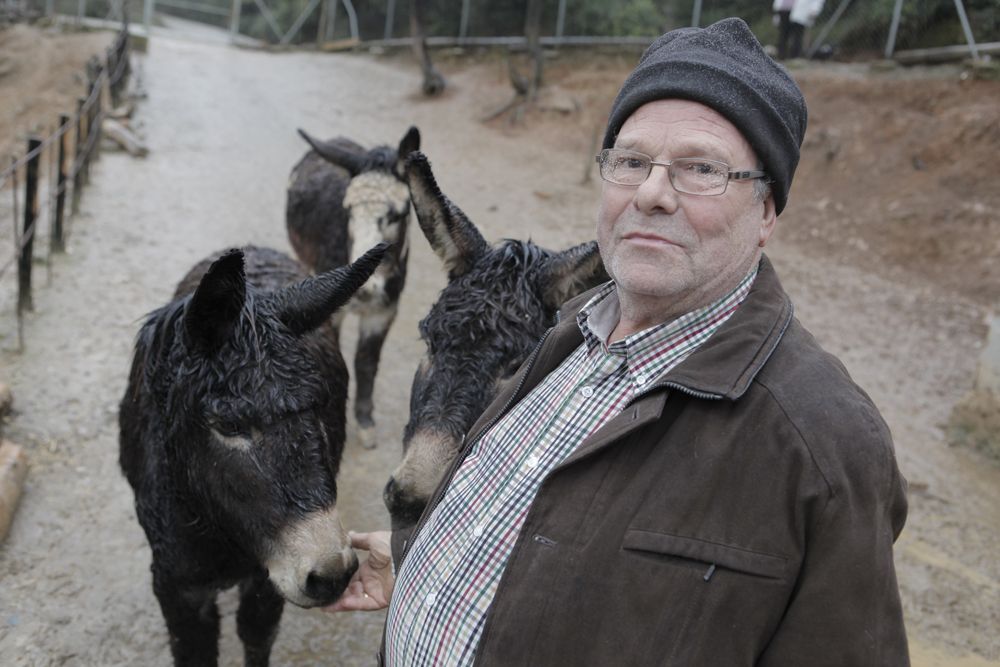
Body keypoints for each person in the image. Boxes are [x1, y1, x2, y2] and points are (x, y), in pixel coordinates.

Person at [328, 17, 910, 666]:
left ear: (768, 209)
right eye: (631, 160)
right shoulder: (565, 333)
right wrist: (420, 561)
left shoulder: (825, 444)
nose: (653, 192)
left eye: (701, 168)